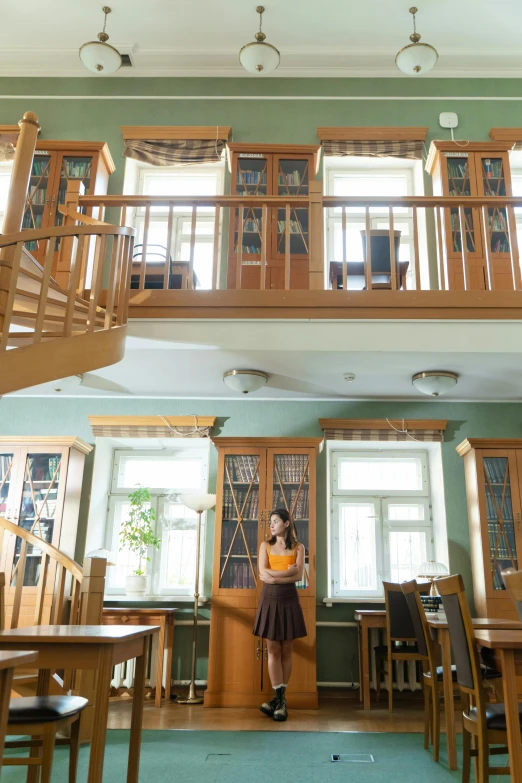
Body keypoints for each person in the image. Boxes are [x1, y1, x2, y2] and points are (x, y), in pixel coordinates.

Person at [252, 508, 307, 722]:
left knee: (287, 650)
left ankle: (278, 701)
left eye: (275, 521)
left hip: (289, 599)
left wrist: (275, 577)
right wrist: (287, 573)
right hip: (269, 598)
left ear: (286, 523)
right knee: (272, 649)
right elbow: (262, 573)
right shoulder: (265, 546)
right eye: (270, 522)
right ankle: (280, 700)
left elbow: (299, 575)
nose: (271, 525)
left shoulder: (299, 547)